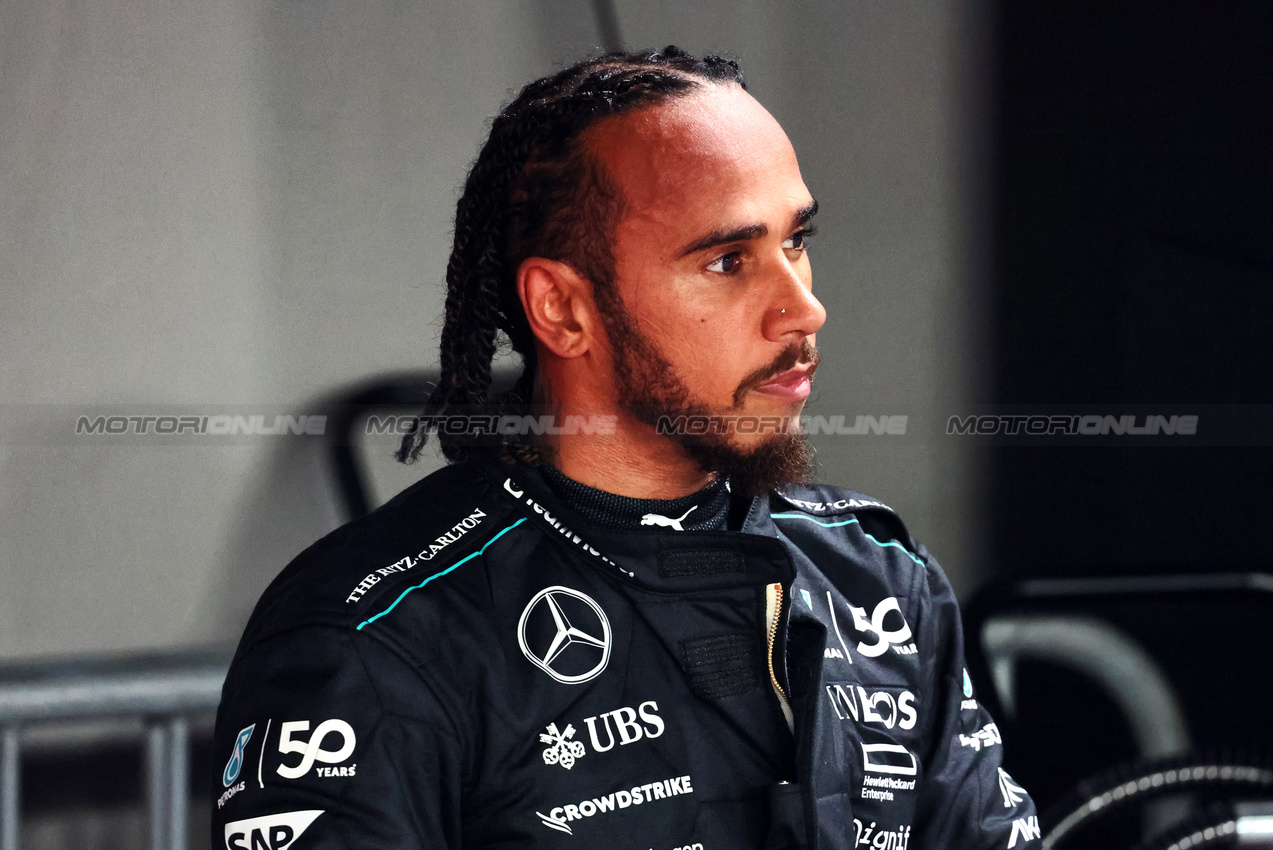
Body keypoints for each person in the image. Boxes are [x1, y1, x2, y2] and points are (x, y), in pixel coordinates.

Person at [212, 47, 1040, 850]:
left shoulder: (878, 575)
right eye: (726, 260)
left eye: (795, 241)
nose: (802, 308)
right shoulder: (377, 634)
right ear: (563, 311)